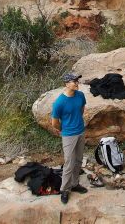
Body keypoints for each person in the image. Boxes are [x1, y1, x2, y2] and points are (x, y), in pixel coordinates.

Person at [51, 72, 88, 204]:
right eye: (74, 81)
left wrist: (78, 124)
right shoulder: (59, 102)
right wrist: (64, 129)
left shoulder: (80, 95)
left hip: (81, 132)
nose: (77, 83)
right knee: (69, 163)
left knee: (78, 161)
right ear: (67, 84)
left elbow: (81, 109)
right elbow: (54, 122)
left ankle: (75, 183)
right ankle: (64, 190)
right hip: (68, 135)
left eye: (77, 81)